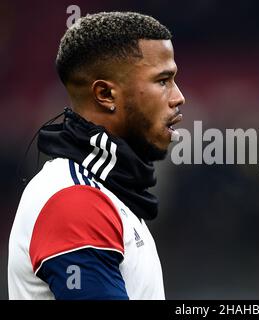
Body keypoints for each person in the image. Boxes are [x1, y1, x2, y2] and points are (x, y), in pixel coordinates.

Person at [8, 11, 185, 300]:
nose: (178, 97)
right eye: (163, 80)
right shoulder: (76, 201)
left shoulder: (107, 192)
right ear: (105, 94)